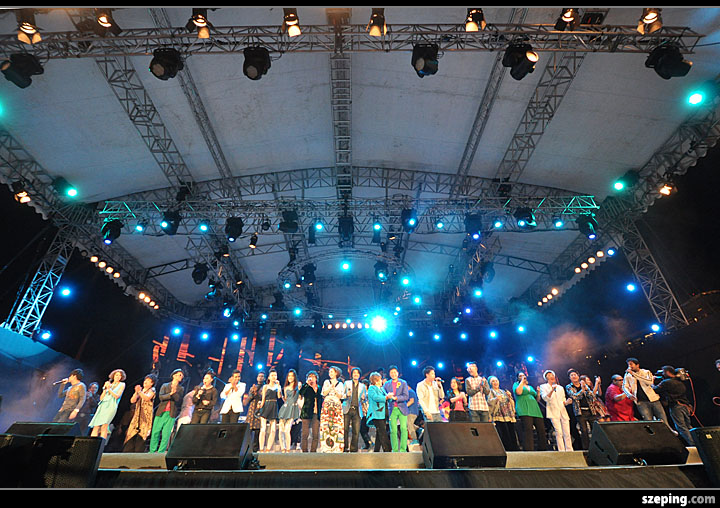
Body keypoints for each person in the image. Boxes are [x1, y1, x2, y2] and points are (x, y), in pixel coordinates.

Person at [623, 357, 671, 428]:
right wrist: (629, 394)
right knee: (649, 421)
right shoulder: (627, 375)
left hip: (653, 399)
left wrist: (634, 374)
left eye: (631, 364)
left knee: (662, 419)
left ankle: (669, 431)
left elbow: (649, 382)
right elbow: (624, 386)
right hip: (641, 402)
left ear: (637, 365)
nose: (629, 366)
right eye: (628, 364)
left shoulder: (646, 372)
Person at [653, 366, 693, 445]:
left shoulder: (667, 382)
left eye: (663, 372)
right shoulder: (680, 382)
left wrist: (652, 381)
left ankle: (693, 444)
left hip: (676, 406)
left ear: (668, 372)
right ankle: (699, 442)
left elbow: (655, 389)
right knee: (688, 426)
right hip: (685, 406)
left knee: (681, 427)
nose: (662, 374)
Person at [149, 368, 185, 453]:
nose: (181, 376)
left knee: (166, 434)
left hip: (171, 413)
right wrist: (170, 394)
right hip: (161, 411)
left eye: (182, 376)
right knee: (155, 432)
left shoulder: (181, 388)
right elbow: (161, 397)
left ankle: (161, 451)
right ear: (174, 376)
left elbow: (178, 400)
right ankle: (152, 451)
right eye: (179, 375)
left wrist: (174, 392)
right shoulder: (165, 385)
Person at [539, 370, 573, 452]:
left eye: (552, 375)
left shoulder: (560, 388)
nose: (551, 376)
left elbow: (563, 400)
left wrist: (567, 402)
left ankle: (569, 449)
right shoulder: (543, 387)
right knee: (559, 432)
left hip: (562, 411)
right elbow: (545, 398)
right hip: (553, 411)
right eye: (549, 375)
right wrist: (551, 390)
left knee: (567, 432)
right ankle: (561, 450)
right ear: (546, 377)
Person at [565, 369, 599, 450]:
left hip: (590, 410)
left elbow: (592, 396)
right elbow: (575, 397)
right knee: (584, 431)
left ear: (578, 376)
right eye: (572, 375)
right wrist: (582, 390)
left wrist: (586, 389)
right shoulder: (569, 387)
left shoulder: (583, 384)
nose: (574, 376)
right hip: (580, 412)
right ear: (569, 378)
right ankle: (586, 449)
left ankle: (597, 447)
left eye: (575, 374)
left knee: (595, 429)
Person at [513, 371, 547, 451]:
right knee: (528, 429)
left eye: (523, 375)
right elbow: (518, 392)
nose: (523, 377)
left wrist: (538, 392)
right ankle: (529, 449)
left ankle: (542, 448)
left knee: (541, 429)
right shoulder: (516, 385)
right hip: (524, 409)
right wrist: (522, 382)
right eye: (520, 376)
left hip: (535, 409)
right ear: (517, 378)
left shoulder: (530, 387)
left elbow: (537, 399)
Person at [123, 374, 157, 452]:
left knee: (142, 435)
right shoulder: (141, 391)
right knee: (131, 434)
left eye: (148, 381)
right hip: (137, 416)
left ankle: (138, 453)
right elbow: (132, 401)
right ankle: (127, 452)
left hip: (145, 416)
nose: (145, 382)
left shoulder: (152, 390)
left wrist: (139, 392)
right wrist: (136, 392)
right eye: (145, 380)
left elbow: (147, 398)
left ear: (152, 383)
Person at [89, 369, 126, 440]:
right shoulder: (109, 384)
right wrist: (105, 389)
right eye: (116, 375)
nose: (118, 377)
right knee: (96, 426)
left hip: (111, 406)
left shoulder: (122, 384)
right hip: (103, 405)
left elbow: (117, 396)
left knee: (104, 426)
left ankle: (101, 444)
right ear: (113, 376)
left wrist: (109, 389)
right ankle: (92, 443)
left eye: (120, 375)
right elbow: (101, 398)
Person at [487, 376, 520, 451]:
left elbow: (510, 402)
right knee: (504, 433)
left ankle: (514, 448)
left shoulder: (503, 391)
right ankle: (507, 449)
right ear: (490, 383)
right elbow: (489, 402)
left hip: (508, 414)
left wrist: (509, 396)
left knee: (511, 432)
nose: (495, 382)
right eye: (493, 381)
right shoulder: (490, 391)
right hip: (499, 415)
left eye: (496, 381)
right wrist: (496, 399)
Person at [383, 365, 410, 452]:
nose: (393, 374)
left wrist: (396, 398)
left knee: (403, 429)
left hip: (402, 408)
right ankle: (394, 450)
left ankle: (403, 449)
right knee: (393, 430)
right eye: (391, 372)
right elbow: (383, 395)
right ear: (389, 374)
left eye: (395, 372)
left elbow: (406, 396)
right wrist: (387, 397)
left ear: (398, 373)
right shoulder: (386, 384)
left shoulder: (403, 383)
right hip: (392, 409)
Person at [319, 366, 345, 453]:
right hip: (327, 405)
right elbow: (323, 393)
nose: (330, 373)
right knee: (326, 426)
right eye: (329, 372)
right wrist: (330, 387)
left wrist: (335, 389)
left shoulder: (340, 384)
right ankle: (326, 447)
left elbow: (340, 396)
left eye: (332, 372)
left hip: (336, 406)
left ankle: (337, 447)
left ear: (336, 373)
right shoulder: (326, 382)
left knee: (336, 426)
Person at [342, 367, 367, 453]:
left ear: (359, 375)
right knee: (345, 430)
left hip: (357, 410)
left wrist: (363, 398)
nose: (355, 374)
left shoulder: (362, 386)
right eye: (354, 373)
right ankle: (345, 448)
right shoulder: (347, 383)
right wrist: (346, 395)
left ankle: (353, 449)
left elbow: (364, 399)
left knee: (356, 431)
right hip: (347, 409)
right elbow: (341, 395)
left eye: (357, 373)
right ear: (352, 375)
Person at [366, 371, 393, 452]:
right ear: (376, 380)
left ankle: (376, 450)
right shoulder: (372, 388)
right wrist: (386, 397)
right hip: (376, 413)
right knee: (382, 432)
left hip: (383, 413)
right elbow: (375, 397)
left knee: (380, 432)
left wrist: (390, 397)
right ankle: (387, 449)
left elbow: (387, 398)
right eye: (380, 379)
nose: (381, 381)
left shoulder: (381, 389)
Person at [257, 369, 281, 452]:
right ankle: (261, 448)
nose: (274, 377)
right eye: (272, 375)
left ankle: (268, 448)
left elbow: (279, 397)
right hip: (266, 406)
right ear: (269, 377)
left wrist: (279, 387)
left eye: (275, 375)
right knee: (263, 429)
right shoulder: (265, 386)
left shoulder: (277, 386)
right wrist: (260, 406)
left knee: (273, 430)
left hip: (274, 406)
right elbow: (263, 398)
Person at [278, 369, 301, 453]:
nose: (290, 377)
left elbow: (300, 397)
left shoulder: (298, 386)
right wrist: (280, 393)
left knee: (287, 430)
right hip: (285, 408)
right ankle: (282, 448)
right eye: (289, 376)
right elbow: (285, 399)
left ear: (295, 377)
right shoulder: (285, 388)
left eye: (292, 376)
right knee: (281, 430)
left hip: (293, 408)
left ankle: (288, 448)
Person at [299, 370, 322, 452]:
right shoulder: (306, 387)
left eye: (313, 376)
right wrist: (306, 384)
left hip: (316, 412)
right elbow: (300, 393)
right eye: (310, 377)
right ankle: (304, 450)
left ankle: (313, 450)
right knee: (305, 433)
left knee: (315, 434)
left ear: (316, 378)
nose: (311, 378)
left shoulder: (319, 387)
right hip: (306, 412)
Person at [244, 371, 266, 453]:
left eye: (262, 376)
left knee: (257, 430)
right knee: (249, 430)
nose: (260, 377)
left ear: (265, 378)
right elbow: (247, 401)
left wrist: (257, 393)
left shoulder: (265, 387)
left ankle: (255, 449)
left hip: (260, 409)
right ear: (257, 378)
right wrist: (253, 393)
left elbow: (263, 397)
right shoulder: (253, 387)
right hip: (252, 409)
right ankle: (247, 448)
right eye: (259, 376)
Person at [360, 378, 374, 450]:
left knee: (363, 430)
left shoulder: (368, 394)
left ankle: (369, 443)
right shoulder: (361, 394)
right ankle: (368, 443)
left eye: (364, 386)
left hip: (368, 414)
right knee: (363, 430)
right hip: (363, 413)